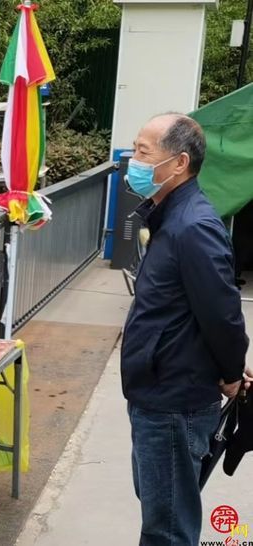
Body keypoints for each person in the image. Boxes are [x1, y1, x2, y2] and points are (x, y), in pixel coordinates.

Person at [121, 113, 249, 546]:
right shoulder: (169, 217)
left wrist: (231, 371)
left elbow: (222, 313)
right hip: (156, 390)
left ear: (178, 163)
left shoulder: (193, 227)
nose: (133, 161)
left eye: (143, 152)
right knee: (160, 509)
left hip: (174, 400)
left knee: (169, 528)